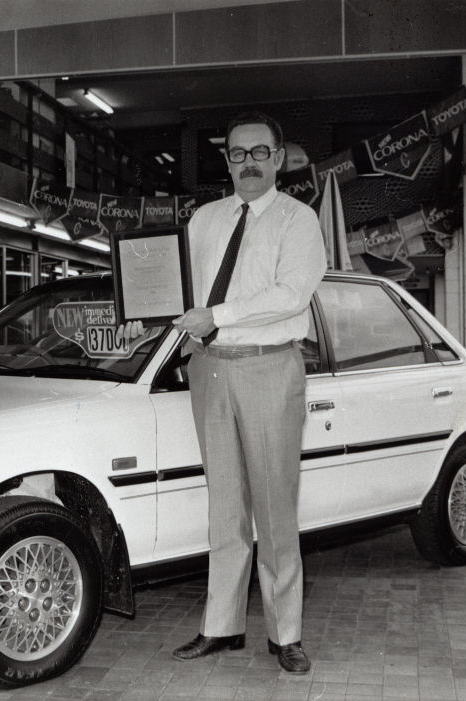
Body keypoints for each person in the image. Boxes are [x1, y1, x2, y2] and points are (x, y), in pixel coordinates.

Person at [135, 111, 327, 673]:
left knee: (273, 508)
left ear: (279, 157)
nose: (248, 163)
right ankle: (221, 627)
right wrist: (142, 315)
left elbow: (290, 295)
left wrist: (215, 313)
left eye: (259, 152)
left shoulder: (299, 221)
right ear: (226, 161)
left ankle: (285, 633)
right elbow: (179, 291)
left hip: (271, 368)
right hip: (211, 369)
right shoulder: (203, 220)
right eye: (238, 154)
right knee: (224, 507)